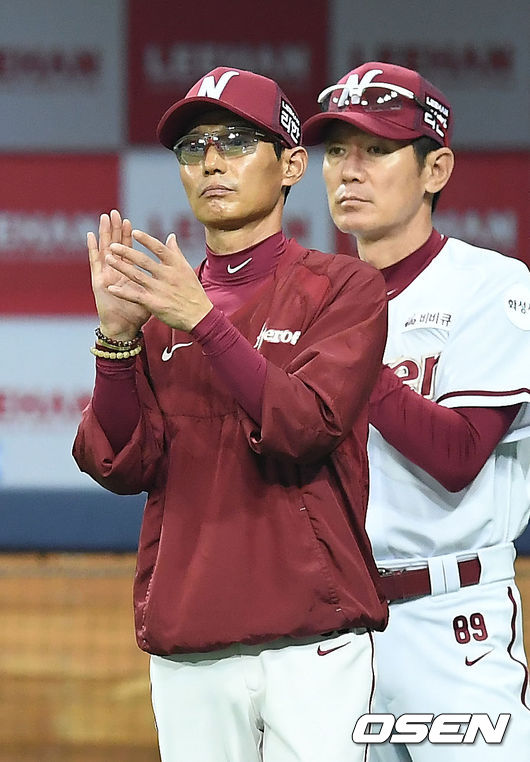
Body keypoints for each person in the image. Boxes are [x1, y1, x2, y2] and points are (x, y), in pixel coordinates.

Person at [73, 66, 389, 762]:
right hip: (192, 643)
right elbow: (122, 464)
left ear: (292, 165)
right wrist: (117, 340)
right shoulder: (161, 309)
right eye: (194, 147)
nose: (211, 161)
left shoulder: (347, 288)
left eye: (237, 141)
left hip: (312, 642)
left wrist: (205, 323)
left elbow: (305, 427)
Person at [303, 60, 530, 760]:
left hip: (451, 622)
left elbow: (457, 456)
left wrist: (345, 351)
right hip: (334, 628)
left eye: (377, 149)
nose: (349, 170)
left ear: (436, 170)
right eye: (337, 150)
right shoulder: (308, 300)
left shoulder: (490, 285)